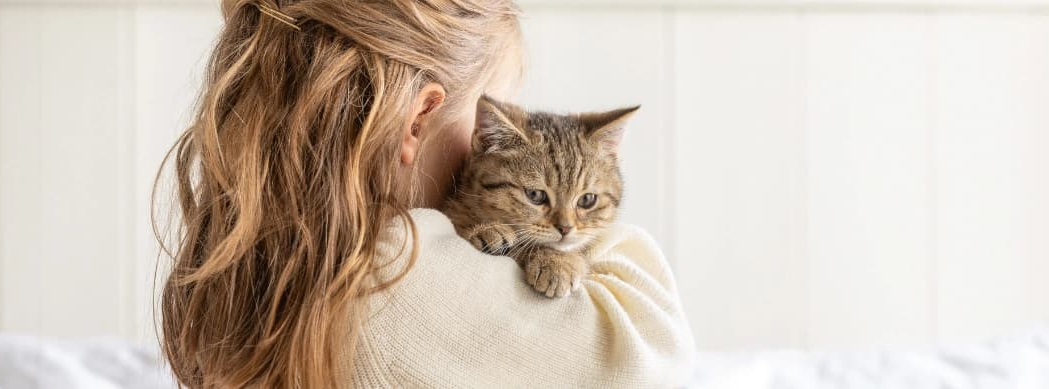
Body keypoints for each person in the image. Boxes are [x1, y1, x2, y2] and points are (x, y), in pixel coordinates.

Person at [153, 0, 695, 387]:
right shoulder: (397, 263)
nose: (479, 153)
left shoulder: (280, 250)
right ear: (418, 122)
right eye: (487, 120)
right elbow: (654, 358)